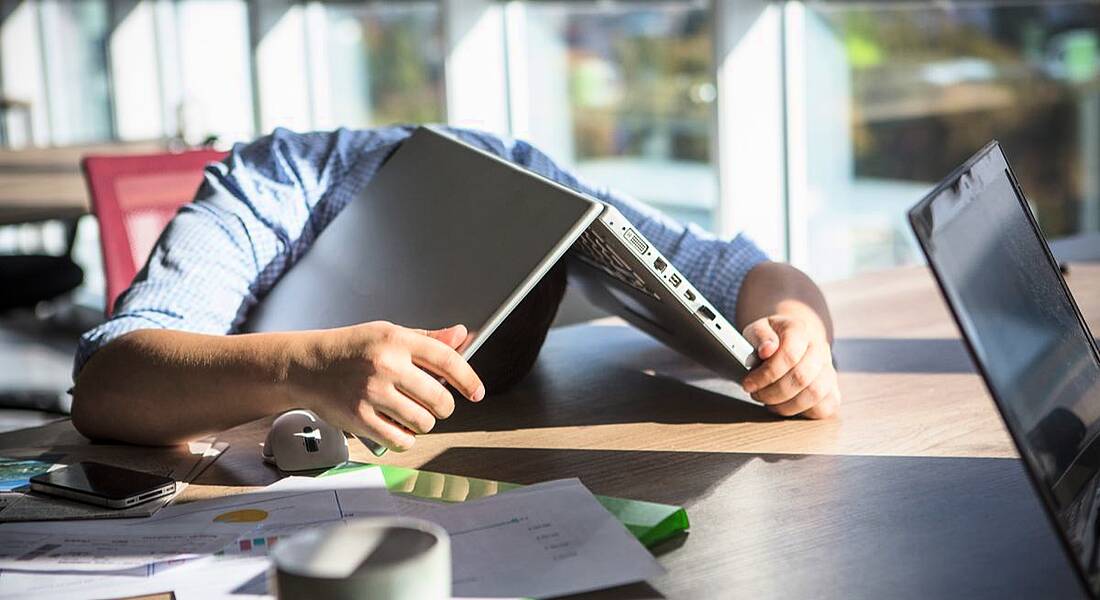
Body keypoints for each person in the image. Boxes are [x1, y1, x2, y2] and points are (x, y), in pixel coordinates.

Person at [71, 126, 840, 449]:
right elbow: (107, 382)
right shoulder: (274, 183)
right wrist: (303, 368)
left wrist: (798, 331)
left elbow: (748, 273)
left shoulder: (522, 179)